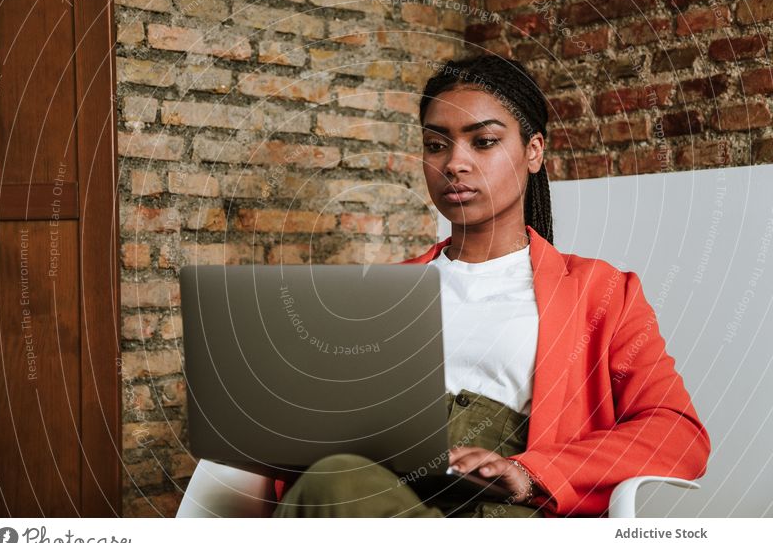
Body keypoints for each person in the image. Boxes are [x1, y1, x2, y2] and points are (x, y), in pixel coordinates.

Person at [270, 54, 711, 518]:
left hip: (501, 517)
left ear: (533, 151)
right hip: (377, 493)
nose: (454, 163)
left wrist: (531, 471)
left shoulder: (602, 292)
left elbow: (677, 434)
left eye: (483, 142)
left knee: (335, 483)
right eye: (436, 145)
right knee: (336, 479)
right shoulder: (382, 294)